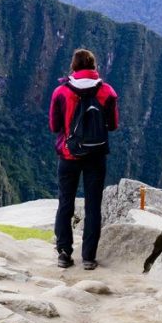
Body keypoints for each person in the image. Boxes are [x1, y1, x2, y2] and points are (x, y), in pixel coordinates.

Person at [49, 49, 119, 270]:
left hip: (69, 156)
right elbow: (113, 125)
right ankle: (88, 258)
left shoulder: (61, 92)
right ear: (94, 66)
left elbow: (54, 126)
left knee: (65, 204)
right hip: (96, 156)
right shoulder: (107, 92)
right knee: (93, 206)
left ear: (74, 66)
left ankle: (63, 253)